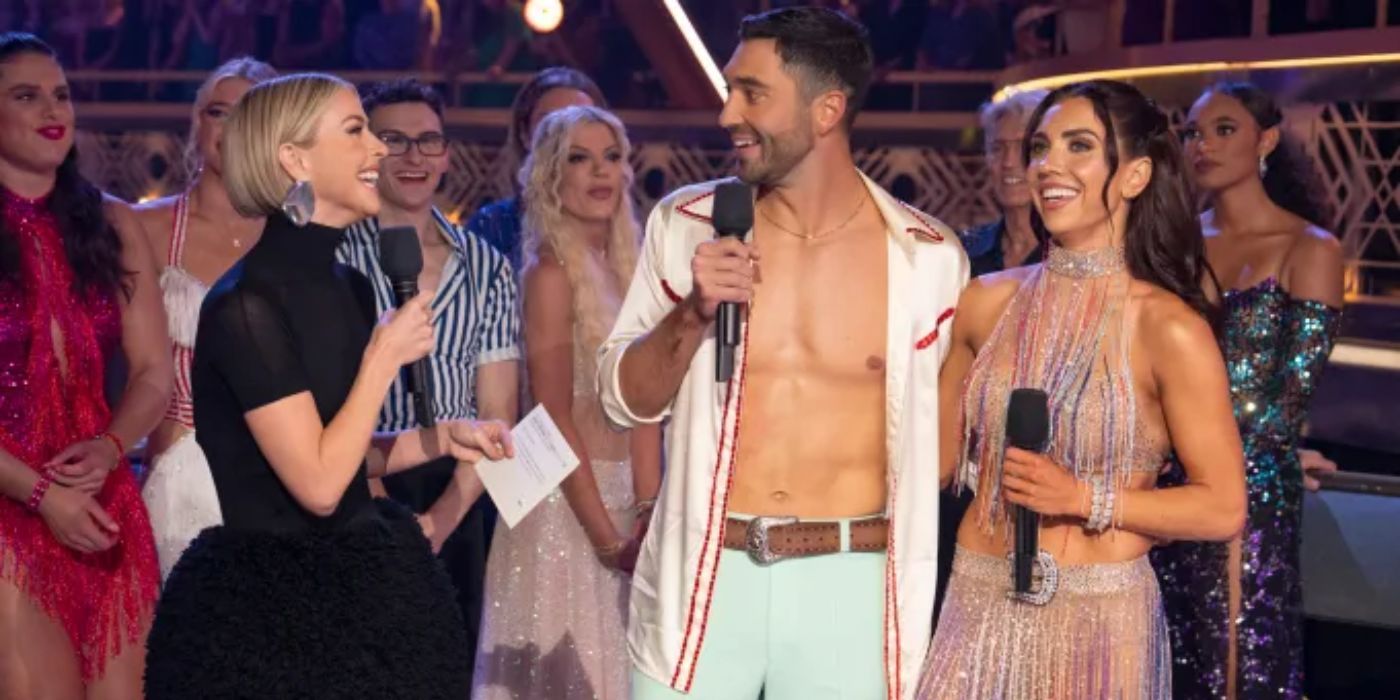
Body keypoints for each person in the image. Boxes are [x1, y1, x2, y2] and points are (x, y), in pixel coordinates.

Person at [598, 9, 967, 699]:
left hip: (851, 590)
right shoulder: (684, 227)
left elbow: (943, 451)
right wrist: (692, 313)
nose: (726, 113)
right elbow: (623, 400)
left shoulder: (929, 259)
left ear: (827, 110)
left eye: (751, 92)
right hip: (701, 584)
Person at [143, 73, 513, 698]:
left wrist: (440, 439)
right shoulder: (245, 309)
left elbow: (342, 457)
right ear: (295, 159)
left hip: (368, 595)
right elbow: (315, 486)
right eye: (356, 132)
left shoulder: (351, 286)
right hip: (270, 621)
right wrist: (382, 359)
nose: (378, 150)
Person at [914, 79, 1247, 700]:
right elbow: (927, 463)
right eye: (1040, 148)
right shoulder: (985, 302)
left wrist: (1084, 498)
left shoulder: (1167, 326)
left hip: (1100, 622)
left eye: (1078, 146)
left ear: (1135, 175)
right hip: (975, 605)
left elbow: (1223, 506)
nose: (1047, 166)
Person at [1153, 82, 1345, 700]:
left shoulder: (1309, 248)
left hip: (1249, 491)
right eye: (1192, 133)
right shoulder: (1174, 244)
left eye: (1224, 129)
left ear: (1265, 139)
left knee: (1236, 665)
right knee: (1161, 660)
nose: (1203, 144)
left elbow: (1287, 404)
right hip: (1157, 483)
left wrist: (1214, 469)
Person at [473, 105, 662, 700]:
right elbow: (550, 414)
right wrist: (606, 535)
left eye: (611, 156)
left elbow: (647, 405)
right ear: (551, 175)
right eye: (579, 158)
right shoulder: (549, 275)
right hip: (565, 506)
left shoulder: (633, 272)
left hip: (626, 500)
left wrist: (648, 507)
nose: (599, 172)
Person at [0, 32, 168, 699]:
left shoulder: (115, 224)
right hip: (12, 502)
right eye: (26, 95)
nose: (53, 108)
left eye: (62, 94)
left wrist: (110, 446)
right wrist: (41, 495)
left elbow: (154, 371)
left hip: (103, 501)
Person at [336, 78, 520, 677]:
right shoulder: (335, 259)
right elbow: (326, 401)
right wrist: (389, 516)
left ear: (446, 155)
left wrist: (438, 523)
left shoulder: (487, 266)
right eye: (394, 140)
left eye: (429, 141)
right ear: (368, 151)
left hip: (458, 500)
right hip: (357, 486)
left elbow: (498, 417)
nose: (414, 157)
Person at [135, 56, 276, 583]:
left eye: (250, 113)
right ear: (197, 124)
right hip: (182, 475)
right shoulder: (148, 227)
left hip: (283, 474)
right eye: (219, 112)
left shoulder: (302, 234)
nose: (232, 128)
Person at [468, 66, 606, 272]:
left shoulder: (621, 231)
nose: (565, 137)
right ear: (525, 134)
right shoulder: (491, 226)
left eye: (581, 123)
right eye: (549, 122)